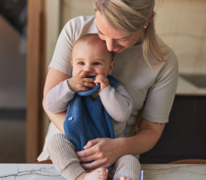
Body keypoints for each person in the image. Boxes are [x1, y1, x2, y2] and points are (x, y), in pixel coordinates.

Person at [38, 0, 178, 180]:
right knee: (56, 143)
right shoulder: (76, 29)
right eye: (101, 32)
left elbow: (151, 131)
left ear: (147, 20)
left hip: (117, 151)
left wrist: (117, 148)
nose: (110, 47)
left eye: (123, 38)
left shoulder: (164, 62)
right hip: (68, 144)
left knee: (130, 162)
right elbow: (49, 102)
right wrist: (83, 140)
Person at [45, 34, 140, 180]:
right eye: (81, 63)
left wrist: (105, 91)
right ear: (72, 63)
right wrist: (69, 87)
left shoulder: (113, 88)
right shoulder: (69, 87)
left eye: (96, 63)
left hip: (110, 155)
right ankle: (81, 177)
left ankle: (123, 177)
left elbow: (122, 114)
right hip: (76, 152)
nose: (87, 69)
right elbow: (50, 105)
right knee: (55, 142)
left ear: (110, 67)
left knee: (130, 160)